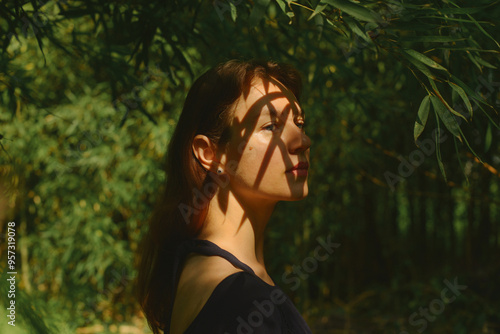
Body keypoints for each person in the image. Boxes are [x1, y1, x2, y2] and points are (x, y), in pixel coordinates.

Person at [136, 59, 313, 333]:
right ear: (210, 154)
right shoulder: (240, 300)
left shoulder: (204, 273)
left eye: (300, 123)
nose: (302, 140)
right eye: (271, 127)